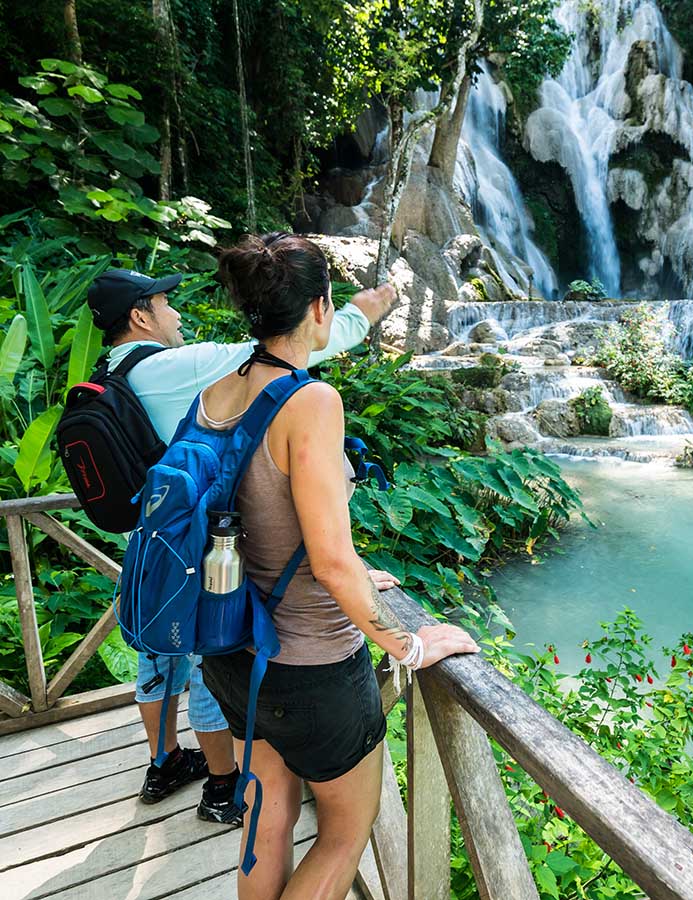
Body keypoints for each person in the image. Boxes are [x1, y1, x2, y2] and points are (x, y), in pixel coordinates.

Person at [196, 232, 479, 900]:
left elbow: (251, 516)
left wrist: (356, 572)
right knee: (346, 833)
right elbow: (329, 560)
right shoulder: (310, 402)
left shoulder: (217, 391)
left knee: (265, 817)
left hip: (234, 653)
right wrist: (408, 644)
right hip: (311, 666)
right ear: (321, 308)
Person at [86, 251, 398, 825]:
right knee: (340, 835)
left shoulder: (133, 379)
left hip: (169, 558)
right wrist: (410, 643)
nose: (172, 310)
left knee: (163, 669)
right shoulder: (189, 370)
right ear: (138, 318)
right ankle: (217, 783)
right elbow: (288, 356)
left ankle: (165, 762)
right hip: (262, 610)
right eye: (161, 302)